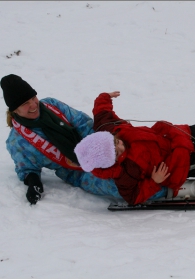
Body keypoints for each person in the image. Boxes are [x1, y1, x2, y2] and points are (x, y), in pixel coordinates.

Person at [1, 74, 167, 205]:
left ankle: (170, 165)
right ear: (14, 110)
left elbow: (84, 123)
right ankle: (166, 187)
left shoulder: (52, 105)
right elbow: (27, 168)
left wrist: (99, 149)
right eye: (25, 103)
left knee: (137, 154)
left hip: (98, 147)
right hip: (78, 172)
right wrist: (33, 181)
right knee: (119, 185)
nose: (33, 105)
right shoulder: (18, 141)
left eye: (33, 98)